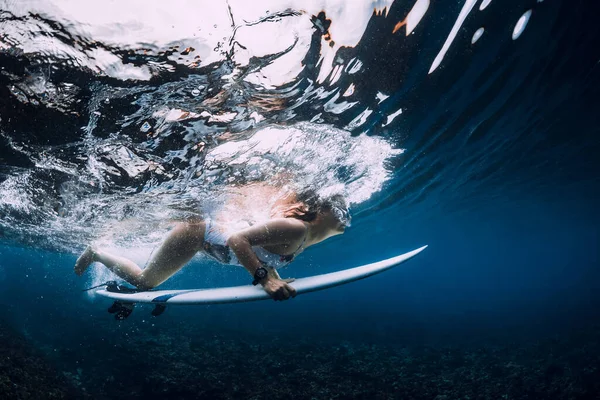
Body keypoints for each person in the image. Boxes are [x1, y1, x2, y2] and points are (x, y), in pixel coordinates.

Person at [74, 187, 351, 306]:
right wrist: (265, 279)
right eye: (340, 208)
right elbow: (237, 240)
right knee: (146, 282)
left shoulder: (304, 238)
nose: (347, 216)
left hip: (211, 242)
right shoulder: (296, 228)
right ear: (320, 211)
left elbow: (261, 250)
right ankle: (96, 252)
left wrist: (273, 275)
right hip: (196, 233)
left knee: (148, 281)